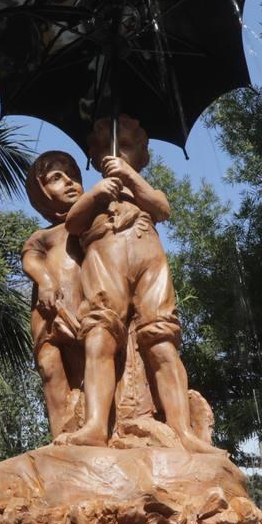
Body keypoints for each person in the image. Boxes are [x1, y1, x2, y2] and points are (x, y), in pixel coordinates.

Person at [56, 114, 212, 452]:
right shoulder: (97, 194)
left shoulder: (143, 192)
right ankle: (96, 425)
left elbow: (163, 208)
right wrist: (97, 194)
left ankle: (181, 429)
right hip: (105, 260)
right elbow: (73, 223)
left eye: (127, 148)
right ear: (95, 155)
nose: (118, 155)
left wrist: (129, 178)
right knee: (100, 334)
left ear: (142, 156)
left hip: (149, 262)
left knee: (162, 339)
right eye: (111, 149)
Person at [21, 150, 87, 437]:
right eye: (57, 178)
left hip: (83, 311)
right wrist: (46, 282)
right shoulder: (43, 235)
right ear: (42, 192)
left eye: (73, 175)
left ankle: (87, 427)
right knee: (51, 368)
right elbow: (31, 260)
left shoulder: (89, 228)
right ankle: (60, 433)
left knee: (86, 371)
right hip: (47, 312)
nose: (70, 182)